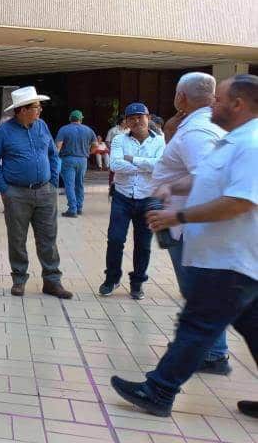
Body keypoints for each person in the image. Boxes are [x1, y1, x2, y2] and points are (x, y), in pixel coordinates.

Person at [111, 74, 258, 420]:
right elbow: (207, 174)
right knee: (253, 327)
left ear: (238, 104)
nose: (212, 104)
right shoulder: (234, 140)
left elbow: (240, 201)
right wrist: (173, 188)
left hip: (231, 258)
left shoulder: (251, 144)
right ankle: (161, 388)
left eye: (219, 100)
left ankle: (159, 390)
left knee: (197, 325)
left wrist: (179, 216)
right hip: (230, 257)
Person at [149, 72, 231, 374]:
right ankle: (208, 349)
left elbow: (208, 176)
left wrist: (170, 190)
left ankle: (212, 353)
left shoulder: (197, 131)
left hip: (189, 224)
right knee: (199, 290)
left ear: (181, 97)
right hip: (187, 222)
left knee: (198, 291)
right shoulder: (205, 124)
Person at [0, 87, 72, 299]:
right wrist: (5, 189)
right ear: (22, 110)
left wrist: (53, 182)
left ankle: (52, 281)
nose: (40, 110)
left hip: (45, 191)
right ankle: (19, 279)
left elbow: (52, 154)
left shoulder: (42, 126)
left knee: (48, 238)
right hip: (16, 194)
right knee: (17, 239)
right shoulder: (4, 131)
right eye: (36, 107)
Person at [101, 102, 164, 300]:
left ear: (148, 118)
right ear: (126, 122)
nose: (137, 121)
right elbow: (115, 165)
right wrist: (146, 166)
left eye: (140, 117)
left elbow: (160, 167)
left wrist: (133, 159)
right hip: (122, 197)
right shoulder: (119, 139)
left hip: (148, 198)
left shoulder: (159, 141)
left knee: (143, 244)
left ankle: (137, 283)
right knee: (115, 239)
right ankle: (112, 278)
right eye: (132, 118)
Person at [55, 110, 97, 217]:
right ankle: (79, 208)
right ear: (81, 119)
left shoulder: (64, 129)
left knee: (69, 185)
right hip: (83, 160)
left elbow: (58, 146)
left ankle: (72, 209)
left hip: (68, 160)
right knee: (80, 184)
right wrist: (88, 152)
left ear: (70, 119)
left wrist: (54, 159)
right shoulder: (89, 130)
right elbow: (95, 145)